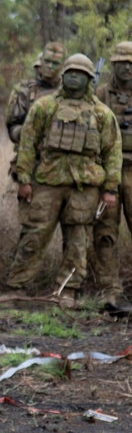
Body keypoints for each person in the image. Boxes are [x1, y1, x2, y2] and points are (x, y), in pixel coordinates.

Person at [8, 54, 120, 307]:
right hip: (47, 182)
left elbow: (112, 153)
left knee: (78, 241)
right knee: (34, 234)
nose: (73, 77)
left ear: (89, 79)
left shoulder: (102, 114)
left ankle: (67, 291)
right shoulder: (45, 107)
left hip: (84, 187)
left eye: (80, 74)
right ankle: (16, 288)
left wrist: (110, 189)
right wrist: (24, 179)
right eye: (69, 72)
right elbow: (27, 144)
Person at [89, 41, 132, 305]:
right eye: (121, 62)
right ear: (113, 65)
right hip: (109, 173)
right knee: (105, 232)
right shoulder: (100, 94)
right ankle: (110, 291)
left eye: (131, 62)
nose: (126, 67)